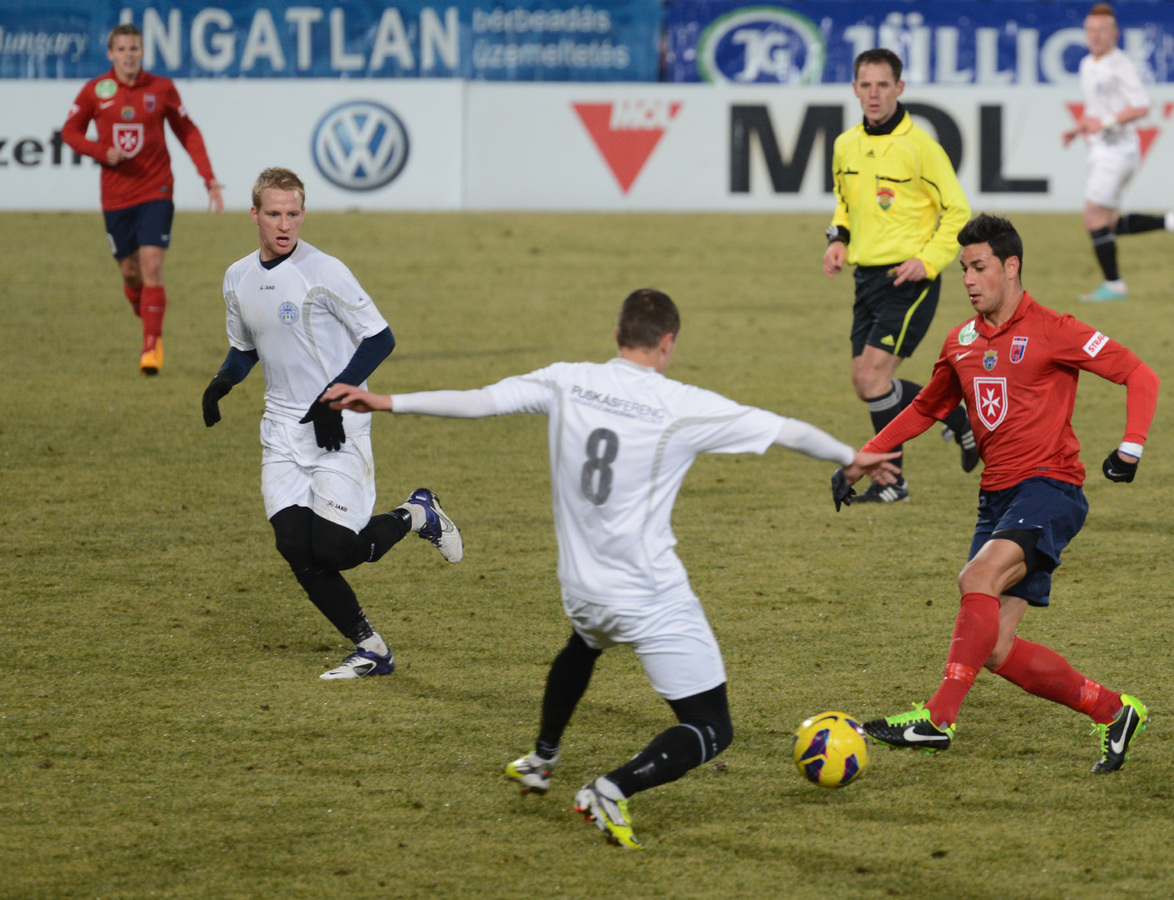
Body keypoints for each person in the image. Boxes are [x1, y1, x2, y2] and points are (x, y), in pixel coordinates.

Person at [321, 289, 900, 849]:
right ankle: (611, 790)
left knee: (585, 643)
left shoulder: (567, 380)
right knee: (711, 727)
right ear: (668, 343)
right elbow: (784, 430)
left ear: (618, 334)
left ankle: (541, 759)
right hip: (648, 594)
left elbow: (482, 399)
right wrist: (852, 456)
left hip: (581, 587)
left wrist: (387, 401)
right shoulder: (682, 404)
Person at [835, 213, 1158, 773]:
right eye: (963, 268)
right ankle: (1114, 711)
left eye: (979, 267)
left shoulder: (1056, 329)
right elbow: (927, 406)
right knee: (996, 647)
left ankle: (936, 720)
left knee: (976, 579)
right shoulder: (960, 341)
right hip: (997, 498)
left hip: (1050, 487)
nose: (968, 279)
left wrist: (1130, 448)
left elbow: (1139, 374)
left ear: (1011, 267)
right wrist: (867, 456)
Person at [201, 167, 463, 681]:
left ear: (303, 213)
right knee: (293, 545)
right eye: (273, 214)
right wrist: (222, 381)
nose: (284, 225)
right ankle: (371, 648)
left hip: (337, 425)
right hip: (282, 429)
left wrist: (334, 397)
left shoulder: (324, 271)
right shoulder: (238, 277)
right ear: (254, 215)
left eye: (293, 214)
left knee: (337, 549)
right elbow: (245, 346)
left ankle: (417, 514)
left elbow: (380, 338)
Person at [823, 47, 977, 502]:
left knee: (873, 379)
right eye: (866, 85)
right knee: (865, 383)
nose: (874, 94)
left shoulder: (921, 147)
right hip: (866, 279)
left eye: (883, 85)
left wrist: (926, 261)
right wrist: (838, 240)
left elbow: (958, 211)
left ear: (899, 88)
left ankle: (893, 483)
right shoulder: (845, 145)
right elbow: (845, 203)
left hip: (909, 280)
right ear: (855, 89)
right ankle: (956, 416)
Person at [61, 23, 225, 375]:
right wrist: (101, 151)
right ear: (111, 54)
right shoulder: (95, 90)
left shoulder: (161, 87)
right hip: (116, 195)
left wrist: (208, 177)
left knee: (151, 266)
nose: (128, 55)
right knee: (131, 272)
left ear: (142, 52)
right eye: (121, 49)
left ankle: (151, 344)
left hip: (157, 189)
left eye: (134, 48)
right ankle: (148, 315)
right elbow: (70, 132)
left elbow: (187, 131)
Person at [1065, 3, 1174, 303]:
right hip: (1103, 148)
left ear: (1115, 33)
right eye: (1090, 30)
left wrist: (1105, 123)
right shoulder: (1087, 64)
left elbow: (1141, 106)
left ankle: (1114, 285)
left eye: (1102, 30)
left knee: (1093, 217)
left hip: (1118, 151)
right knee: (1109, 222)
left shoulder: (1120, 65)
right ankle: (1173, 221)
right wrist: (1078, 128)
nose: (1095, 35)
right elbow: (1095, 109)